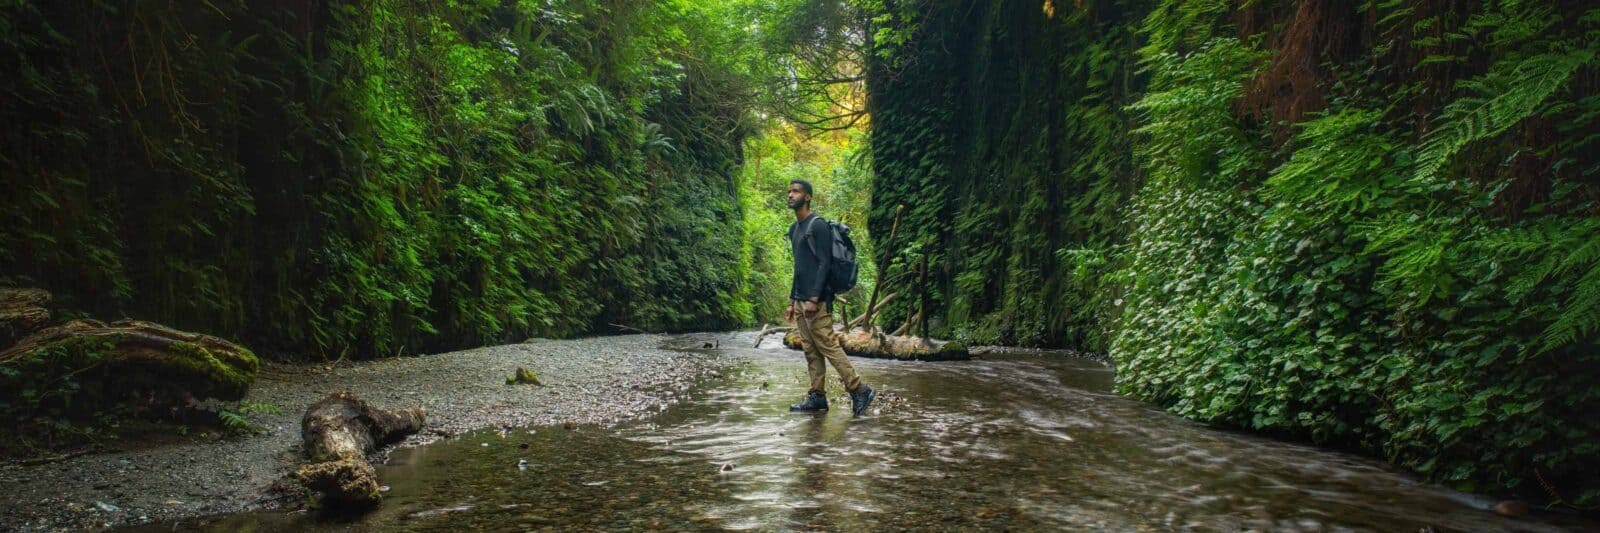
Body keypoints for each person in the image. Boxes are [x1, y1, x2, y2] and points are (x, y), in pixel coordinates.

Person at [784, 179, 875, 416]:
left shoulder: (818, 225)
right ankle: (817, 397)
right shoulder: (794, 229)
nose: (790, 195)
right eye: (789, 192)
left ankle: (859, 389)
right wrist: (792, 301)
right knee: (809, 349)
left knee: (827, 345)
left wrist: (815, 298)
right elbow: (799, 268)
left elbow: (824, 263)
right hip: (802, 299)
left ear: (808, 197)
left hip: (818, 299)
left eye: (795, 191)